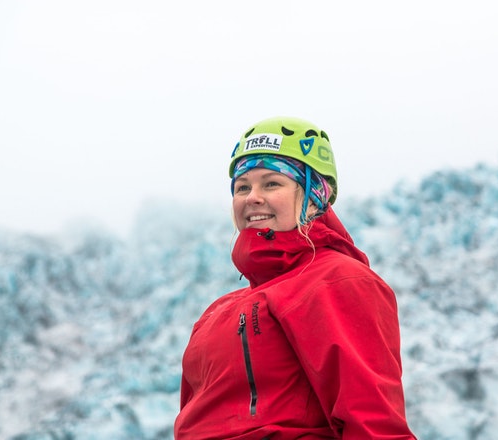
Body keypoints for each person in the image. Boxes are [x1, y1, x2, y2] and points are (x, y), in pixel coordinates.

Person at [174, 116, 416, 439]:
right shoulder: (216, 313)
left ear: (314, 197)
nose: (252, 197)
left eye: (271, 183)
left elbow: (373, 422)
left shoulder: (337, 281)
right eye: (242, 187)